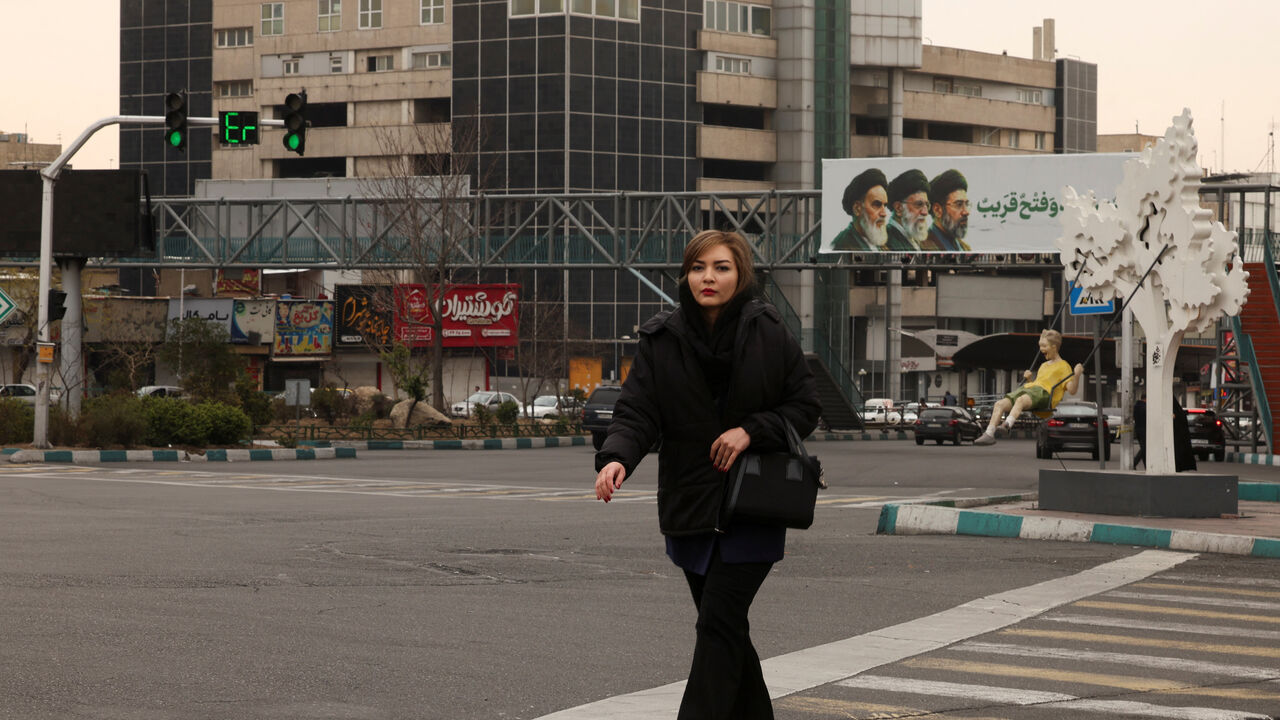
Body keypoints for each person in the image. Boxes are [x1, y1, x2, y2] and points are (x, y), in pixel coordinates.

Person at [594, 229, 821, 720]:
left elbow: (804, 406)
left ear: (740, 274)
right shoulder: (662, 339)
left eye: (721, 267)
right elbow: (637, 412)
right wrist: (616, 458)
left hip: (755, 506)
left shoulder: (768, 330)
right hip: (693, 507)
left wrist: (750, 431)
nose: (708, 277)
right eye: (698, 267)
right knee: (728, 633)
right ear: (685, 276)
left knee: (717, 625)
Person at [974, 329, 1083, 445]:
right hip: (1031, 390)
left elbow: (1072, 390)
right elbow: (1038, 384)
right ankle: (989, 434)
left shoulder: (1064, 366)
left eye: (1044, 346)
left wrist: (1076, 375)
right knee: (999, 404)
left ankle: (1007, 425)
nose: (1041, 349)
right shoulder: (1043, 365)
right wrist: (1029, 379)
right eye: (1040, 346)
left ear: (1054, 347)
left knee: (1021, 400)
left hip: (1045, 395)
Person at [830, 168, 889, 251]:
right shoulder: (842, 246)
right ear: (857, 209)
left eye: (884, 205)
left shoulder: (880, 246)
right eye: (877, 205)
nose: (884, 213)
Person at [922, 169, 972, 252]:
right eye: (959, 204)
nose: (966, 212)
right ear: (937, 210)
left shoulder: (965, 248)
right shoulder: (923, 248)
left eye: (966, 204)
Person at [885, 169, 932, 251]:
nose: (925, 212)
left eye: (927, 205)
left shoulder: (913, 238)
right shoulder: (888, 242)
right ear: (899, 208)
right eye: (919, 204)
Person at [1132, 393, 1146, 470]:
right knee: (1145, 448)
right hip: (1144, 430)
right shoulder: (1145, 407)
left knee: (1143, 449)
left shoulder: (1136, 406)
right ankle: (1134, 462)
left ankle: (1146, 466)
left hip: (1138, 430)